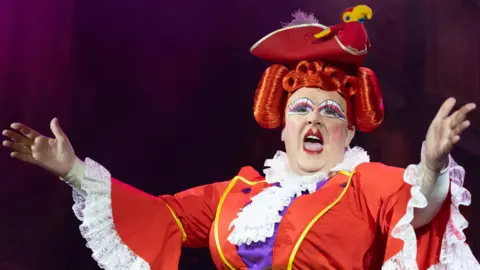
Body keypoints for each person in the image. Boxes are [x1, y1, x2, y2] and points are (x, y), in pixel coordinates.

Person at [2, 5, 479, 270]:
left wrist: (433, 163)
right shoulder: (238, 194)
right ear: (285, 125)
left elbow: (420, 209)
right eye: (301, 109)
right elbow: (157, 213)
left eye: (330, 111)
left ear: (349, 129)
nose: (313, 120)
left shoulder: (365, 184)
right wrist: (73, 171)